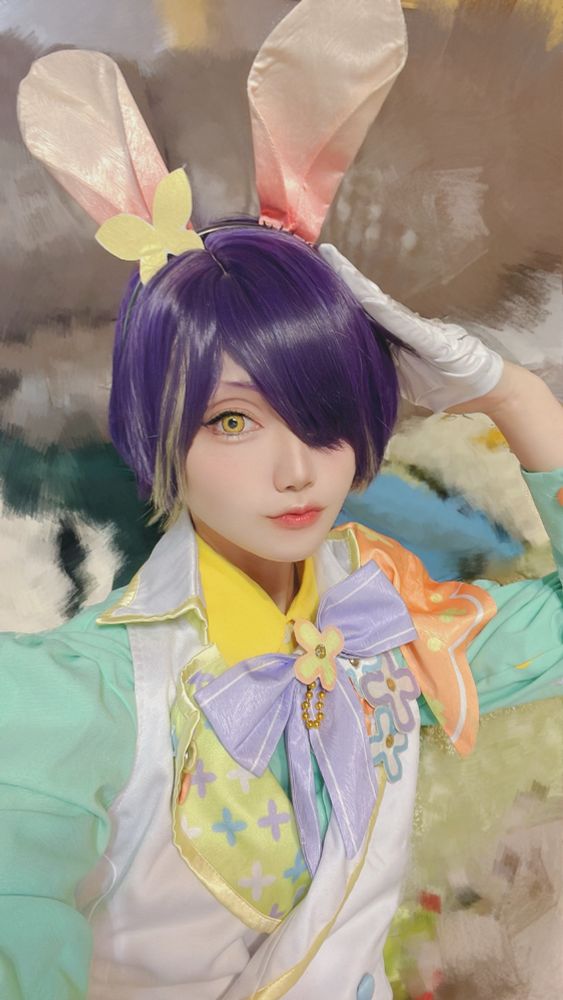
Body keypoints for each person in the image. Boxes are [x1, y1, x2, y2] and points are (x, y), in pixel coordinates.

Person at [7, 16, 562, 998]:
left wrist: (512, 397)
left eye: (322, 416)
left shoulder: (393, 632)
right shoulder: (76, 695)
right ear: (159, 433)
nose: (296, 469)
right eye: (232, 422)